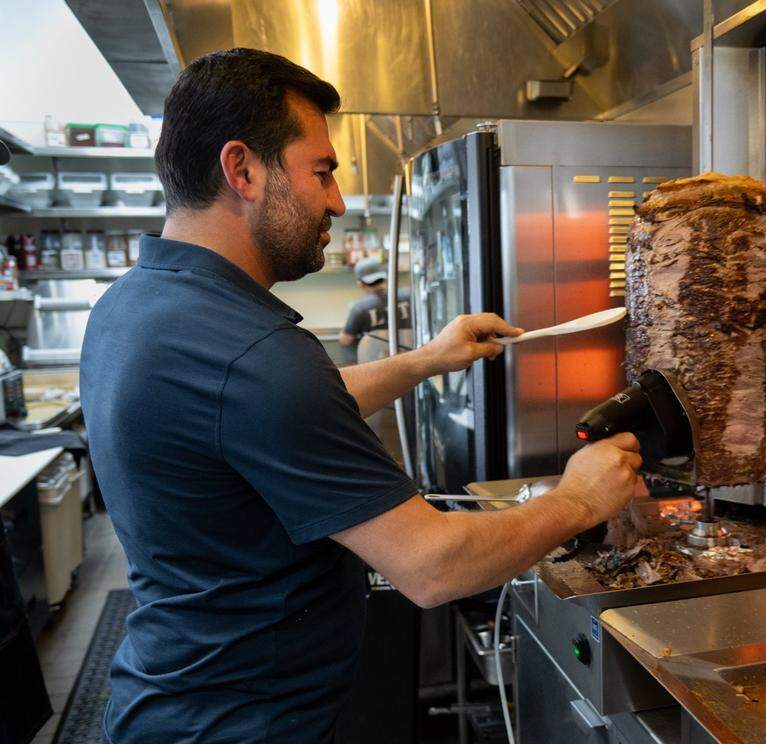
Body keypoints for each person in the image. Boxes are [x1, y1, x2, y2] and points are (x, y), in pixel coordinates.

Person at [80, 48, 643, 744]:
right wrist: (579, 499)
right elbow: (433, 566)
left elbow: (268, 416)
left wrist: (426, 360)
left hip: (165, 698)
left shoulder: (135, 307)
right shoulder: (253, 353)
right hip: (240, 727)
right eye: (322, 171)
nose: (338, 202)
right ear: (243, 170)